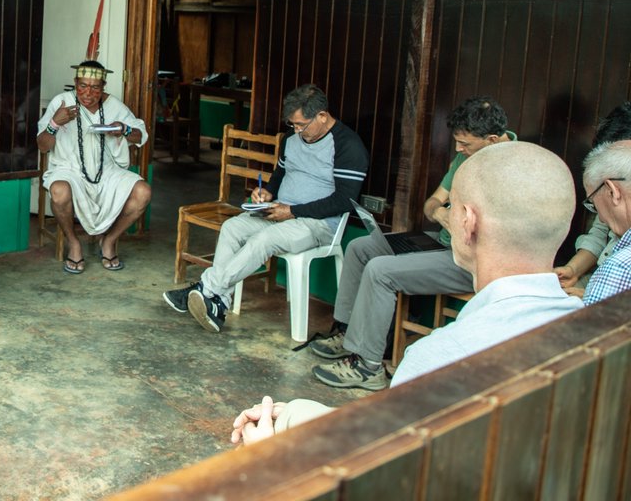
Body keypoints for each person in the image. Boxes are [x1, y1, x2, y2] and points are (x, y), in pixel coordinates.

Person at [231, 141, 582, 444]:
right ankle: (345, 333)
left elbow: (384, 463)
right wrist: (295, 415)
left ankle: (364, 363)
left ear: (467, 222)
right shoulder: (591, 328)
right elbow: (382, 431)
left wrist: (273, 447)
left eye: (452, 207)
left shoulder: (437, 360)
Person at [307, 96, 515, 391]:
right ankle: (348, 332)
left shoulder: (515, 169)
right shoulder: (468, 156)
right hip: (442, 242)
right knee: (360, 248)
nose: (458, 149)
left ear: (492, 140)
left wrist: (462, 225)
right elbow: (432, 204)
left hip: (473, 260)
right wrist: (441, 214)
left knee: (380, 271)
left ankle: (368, 366)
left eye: (464, 144)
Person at [163, 84, 368, 333]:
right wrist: (268, 192)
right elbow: (280, 173)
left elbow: (344, 200)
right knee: (232, 227)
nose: (297, 131)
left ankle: (205, 289)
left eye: (301, 125)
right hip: (280, 212)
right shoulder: (291, 139)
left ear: (322, 116)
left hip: (320, 224)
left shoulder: (348, 146)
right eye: (293, 125)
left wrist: (292, 211)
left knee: (265, 239)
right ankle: (218, 304)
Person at [37, 60, 150, 273]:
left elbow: (140, 136)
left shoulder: (114, 106)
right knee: (59, 191)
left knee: (143, 192)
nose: (88, 93)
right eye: (83, 86)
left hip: (106, 171)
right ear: (75, 83)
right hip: (68, 169)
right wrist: (54, 124)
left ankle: (109, 240)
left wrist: (124, 129)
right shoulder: (61, 102)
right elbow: (43, 146)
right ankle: (74, 243)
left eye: (95, 87)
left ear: (103, 86)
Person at [555, 102, 631, 294]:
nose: (601, 217)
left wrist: (592, 298)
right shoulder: (613, 200)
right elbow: (601, 229)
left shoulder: (620, 265)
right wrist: (573, 269)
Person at [577, 141, 631, 305]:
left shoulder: (620, 268)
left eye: (593, 203)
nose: (600, 219)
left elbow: (589, 323)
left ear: (612, 192)